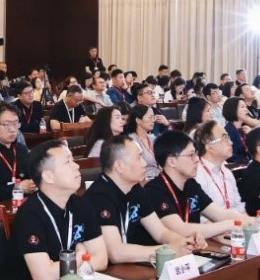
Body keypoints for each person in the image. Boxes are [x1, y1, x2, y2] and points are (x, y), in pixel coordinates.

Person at [0, 140, 107, 280]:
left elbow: (102, 259)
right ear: (48, 177)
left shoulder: (81, 204)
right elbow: (44, 278)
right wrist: (80, 256)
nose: (76, 166)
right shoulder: (29, 215)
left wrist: (64, 268)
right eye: (67, 162)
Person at [85, 135, 196, 264]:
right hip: (106, 270)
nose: (145, 163)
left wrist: (183, 242)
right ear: (119, 166)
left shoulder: (135, 189)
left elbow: (160, 232)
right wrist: (168, 250)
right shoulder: (99, 196)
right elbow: (116, 253)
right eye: (138, 158)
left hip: (132, 264)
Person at [143, 130, 247, 240]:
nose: (197, 159)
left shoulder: (190, 184)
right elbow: (181, 229)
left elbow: (220, 214)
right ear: (172, 161)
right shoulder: (154, 191)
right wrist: (230, 224)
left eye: (196, 154)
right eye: (191, 155)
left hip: (192, 247)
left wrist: (253, 221)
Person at [193, 120, 243, 217]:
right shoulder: (197, 175)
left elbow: (239, 207)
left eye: (228, 138)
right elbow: (201, 219)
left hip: (235, 224)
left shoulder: (227, 172)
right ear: (209, 147)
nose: (231, 142)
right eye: (225, 138)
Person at [123, 104, 160, 178]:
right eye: (150, 117)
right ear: (138, 120)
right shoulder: (131, 141)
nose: (153, 120)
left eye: (153, 117)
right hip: (144, 178)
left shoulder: (153, 138)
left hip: (158, 176)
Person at [220, 97, 251, 164]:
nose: (246, 110)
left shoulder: (244, 129)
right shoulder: (228, 132)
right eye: (242, 107)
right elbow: (232, 158)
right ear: (233, 110)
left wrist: (251, 136)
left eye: (246, 107)